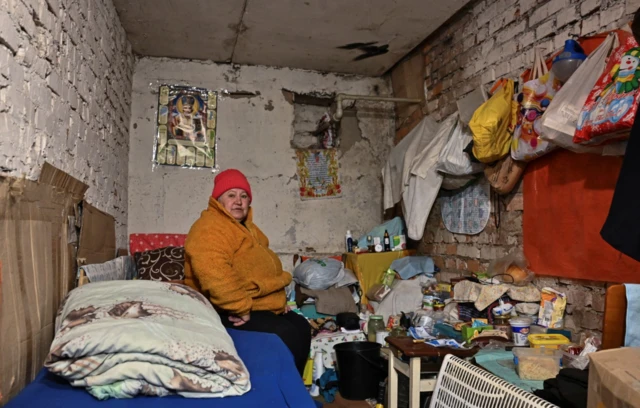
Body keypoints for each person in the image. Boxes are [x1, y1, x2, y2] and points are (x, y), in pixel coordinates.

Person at [184, 169, 311, 374]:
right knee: (285, 334)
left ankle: (293, 392)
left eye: (244, 196)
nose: (239, 201)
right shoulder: (209, 227)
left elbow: (265, 267)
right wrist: (239, 307)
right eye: (231, 195)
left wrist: (278, 302)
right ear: (218, 200)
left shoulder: (248, 228)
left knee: (301, 327)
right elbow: (214, 273)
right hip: (225, 308)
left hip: (255, 303)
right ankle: (276, 395)